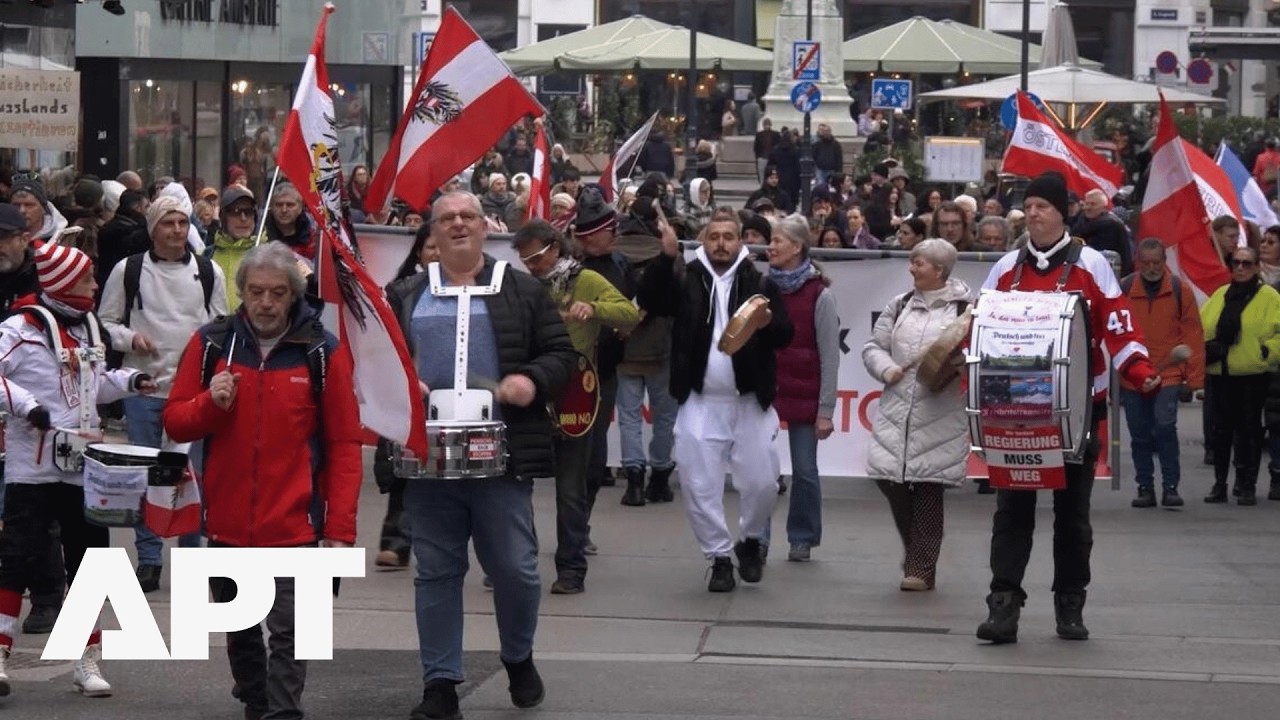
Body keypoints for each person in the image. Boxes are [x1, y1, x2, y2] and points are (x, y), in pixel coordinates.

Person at [386, 191, 574, 720]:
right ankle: (440, 684)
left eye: (468, 216)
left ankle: (517, 656)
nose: (459, 224)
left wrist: (530, 381)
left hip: (502, 455)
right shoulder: (405, 293)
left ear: (486, 226)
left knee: (515, 570)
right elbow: (378, 362)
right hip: (428, 457)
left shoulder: (523, 290)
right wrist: (403, 384)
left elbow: (562, 354)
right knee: (437, 570)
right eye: (447, 218)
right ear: (433, 234)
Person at [164, 242, 362, 720]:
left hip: (297, 525)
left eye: (277, 293)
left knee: (296, 632)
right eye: (256, 292)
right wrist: (210, 403)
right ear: (243, 294)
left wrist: (340, 529)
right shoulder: (211, 344)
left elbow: (344, 444)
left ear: (293, 296)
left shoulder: (321, 352)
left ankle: (282, 711)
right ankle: (256, 698)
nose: (266, 303)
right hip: (228, 523)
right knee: (242, 632)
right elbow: (175, 422)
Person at [976, 172, 1160, 645]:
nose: (1033, 213)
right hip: (1015, 415)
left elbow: (1119, 326)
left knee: (1072, 516)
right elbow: (980, 332)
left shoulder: (1092, 265)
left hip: (1079, 411)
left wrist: (1139, 372)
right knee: (1011, 511)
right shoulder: (1005, 269)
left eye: (1042, 206)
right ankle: (1003, 606)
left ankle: (1069, 603)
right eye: (1029, 206)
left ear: (1063, 212)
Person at [0, 237, 158, 697]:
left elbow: (92, 385)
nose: (94, 283)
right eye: (88, 277)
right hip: (32, 469)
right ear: (67, 283)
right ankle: (2, 653)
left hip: (82, 464)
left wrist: (130, 381)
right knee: (16, 561)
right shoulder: (21, 328)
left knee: (90, 562)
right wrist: (29, 408)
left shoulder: (89, 326)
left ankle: (85, 661)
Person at [638, 207, 794, 592]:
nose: (721, 244)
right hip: (700, 402)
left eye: (728, 237)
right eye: (713, 237)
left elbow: (785, 335)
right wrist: (667, 257)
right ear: (703, 241)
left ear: (740, 241)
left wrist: (767, 322)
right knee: (699, 484)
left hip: (749, 402)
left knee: (762, 483)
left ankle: (751, 539)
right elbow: (651, 299)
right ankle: (720, 557)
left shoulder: (760, 283)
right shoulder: (685, 279)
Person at [99, 196, 229, 592]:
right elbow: (106, 322)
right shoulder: (129, 270)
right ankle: (150, 559)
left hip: (193, 393)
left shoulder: (209, 272)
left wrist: (206, 357)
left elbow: (222, 325)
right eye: (167, 223)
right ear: (153, 228)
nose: (175, 230)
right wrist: (131, 337)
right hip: (144, 389)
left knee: (193, 477)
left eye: (181, 222)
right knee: (145, 477)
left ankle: (192, 557)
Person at [513, 222, 638, 593]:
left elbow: (629, 315)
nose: (531, 265)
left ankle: (571, 568)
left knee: (571, 488)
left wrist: (595, 308)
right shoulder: (524, 285)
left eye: (536, 257)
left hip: (574, 396)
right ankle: (518, 559)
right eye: (525, 260)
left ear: (555, 248)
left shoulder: (585, 279)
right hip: (535, 391)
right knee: (519, 484)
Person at [863, 239, 972, 590]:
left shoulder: (965, 312)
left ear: (939, 270)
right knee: (889, 479)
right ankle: (917, 553)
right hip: (898, 406)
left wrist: (948, 367)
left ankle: (921, 569)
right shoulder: (899, 305)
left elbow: (974, 354)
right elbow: (873, 347)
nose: (912, 268)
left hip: (940, 411)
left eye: (918, 262)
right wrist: (887, 369)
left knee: (927, 486)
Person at [767, 215, 838, 562]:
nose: (771, 246)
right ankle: (757, 538)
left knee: (805, 471)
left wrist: (826, 411)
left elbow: (829, 355)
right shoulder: (762, 287)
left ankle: (803, 537)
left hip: (805, 393)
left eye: (778, 240)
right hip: (766, 392)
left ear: (796, 247)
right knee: (760, 472)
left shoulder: (819, 295)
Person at [1118, 238, 1203, 509]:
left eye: (1157, 262)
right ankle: (1145, 487)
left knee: (1165, 427)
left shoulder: (1180, 290)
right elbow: (1116, 333)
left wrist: (1195, 380)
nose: (1152, 268)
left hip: (1169, 374)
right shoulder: (1125, 289)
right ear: (1138, 262)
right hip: (1134, 375)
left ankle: (1170, 487)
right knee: (1140, 433)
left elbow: (1193, 335)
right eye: (1146, 263)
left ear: (1165, 262)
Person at [1200, 245, 1280, 506]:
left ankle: (1247, 484)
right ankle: (1220, 483)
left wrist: (1266, 353)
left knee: (1249, 430)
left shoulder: (1269, 297)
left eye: (1247, 263)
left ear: (1257, 267)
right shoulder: (1221, 294)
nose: (1241, 268)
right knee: (1221, 431)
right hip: (1221, 373)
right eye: (1237, 263)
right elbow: (1202, 326)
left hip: (1252, 373)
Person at [208, 186, 258, 308]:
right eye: (235, 212)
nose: (243, 218)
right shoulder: (205, 256)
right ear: (223, 217)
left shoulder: (268, 257)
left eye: (248, 212)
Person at [1074, 189, 1132, 276]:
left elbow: (1097, 254)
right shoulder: (1082, 220)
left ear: (1103, 207)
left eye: (1093, 204)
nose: (1088, 207)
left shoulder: (1110, 224)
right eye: (1086, 203)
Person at [753, 118, 781, 182]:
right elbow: (756, 147)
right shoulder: (759, 135)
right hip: (762, 157)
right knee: (761, 173)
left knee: (772, 173)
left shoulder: (775, 134)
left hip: (772, 158)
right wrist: (758, 157)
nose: (766, 126)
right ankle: (762, 185)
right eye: (765, 125)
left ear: (770, 125)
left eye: (768, 125)